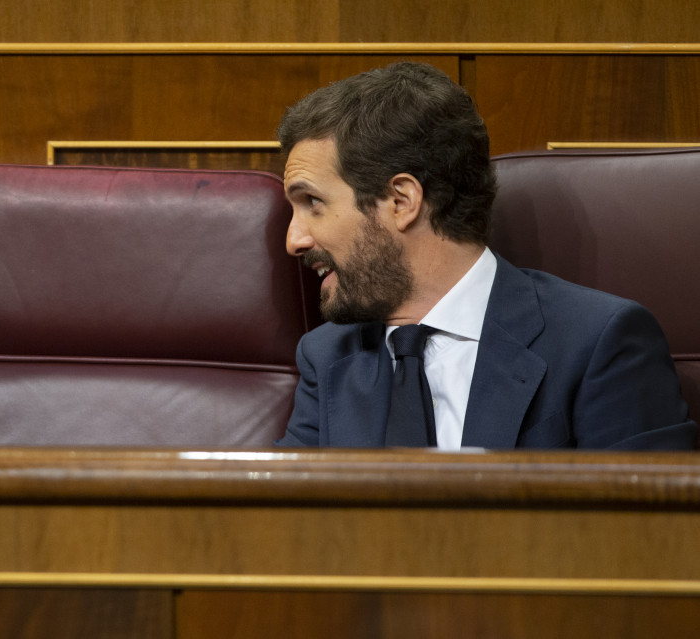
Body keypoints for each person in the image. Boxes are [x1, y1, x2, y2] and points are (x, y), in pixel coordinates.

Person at [274, 62, 696, 450]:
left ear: (401, 202)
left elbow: (650, 529)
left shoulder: (599, 343)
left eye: (312, 202)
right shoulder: (327, 355)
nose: (294, 240)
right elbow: (284, 522)